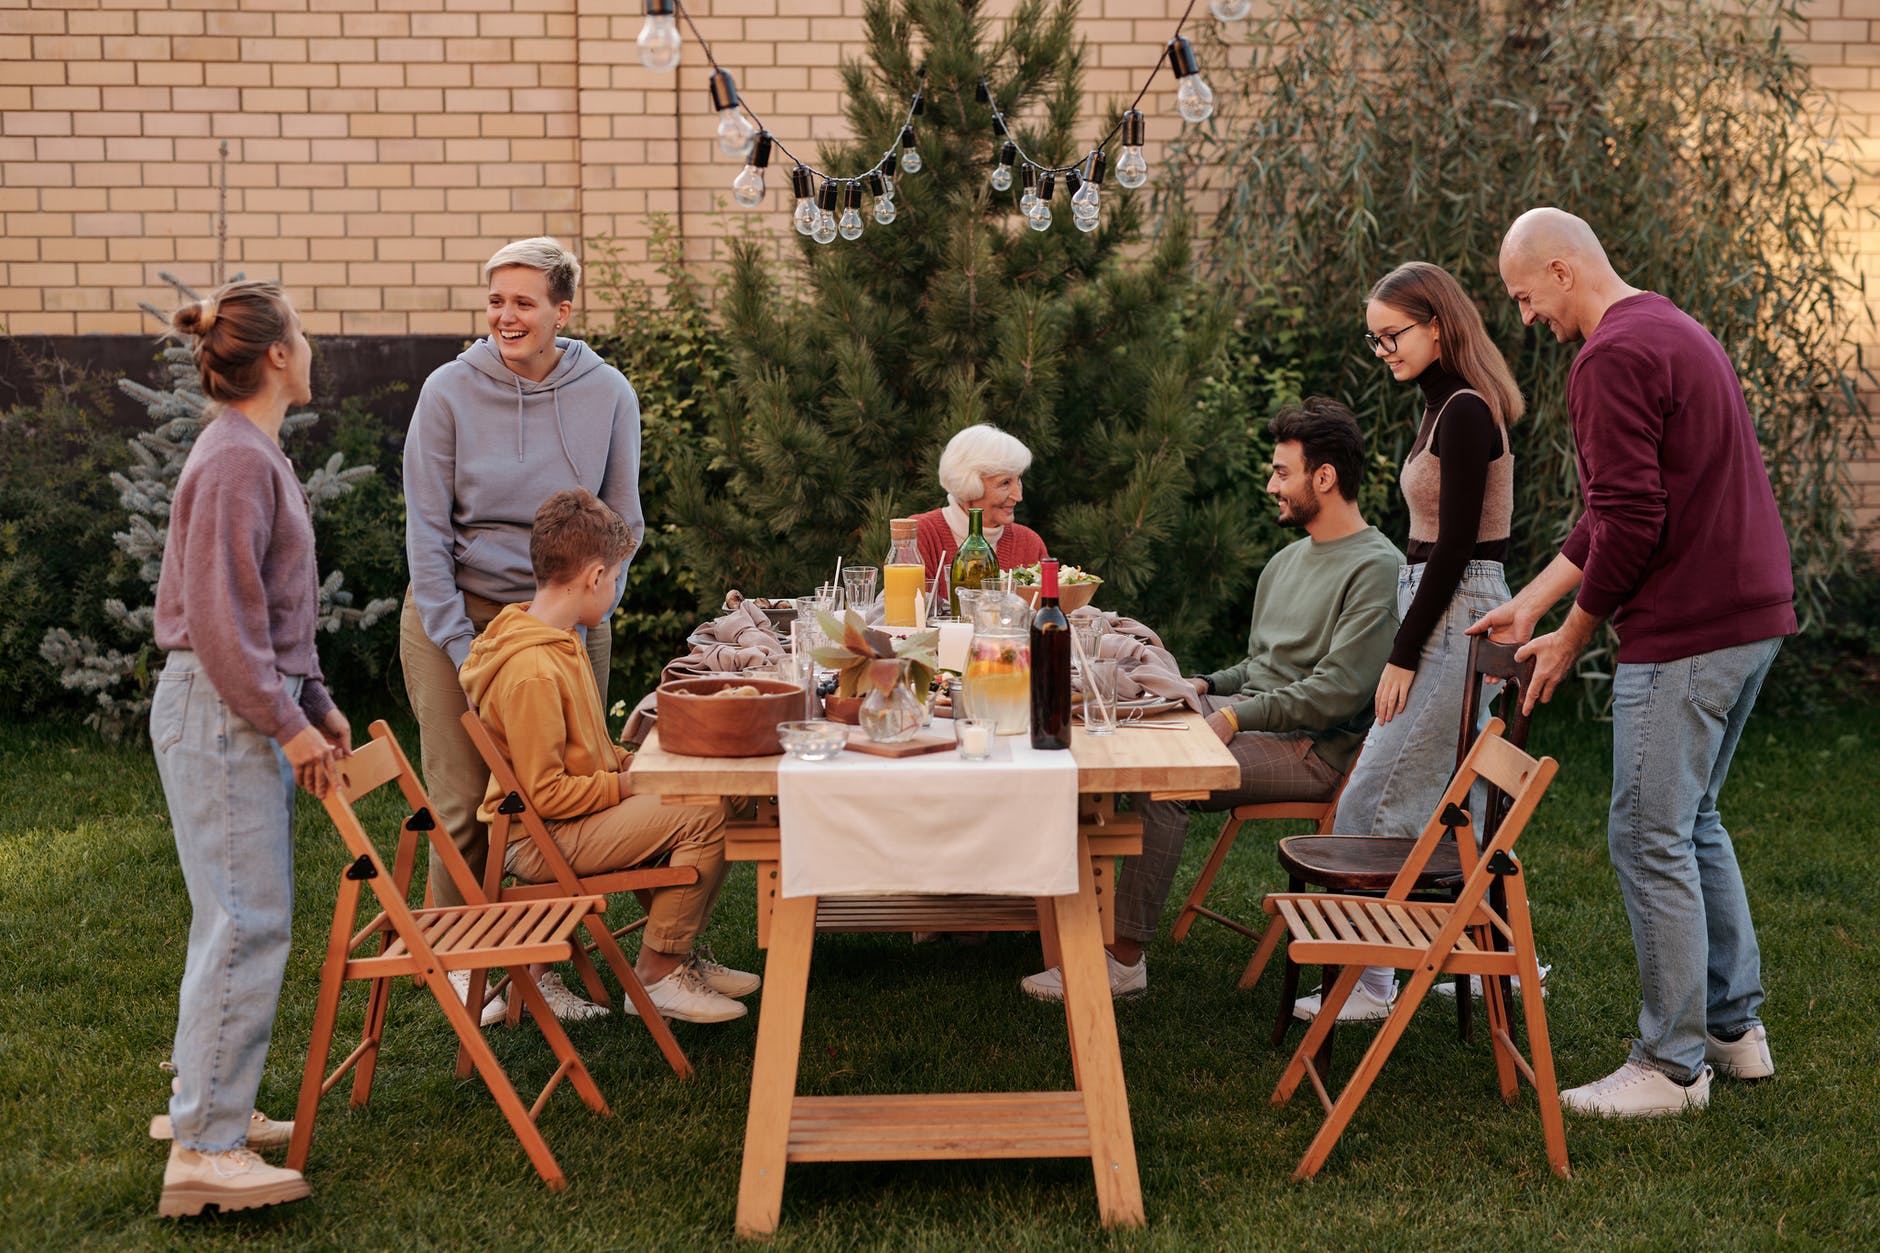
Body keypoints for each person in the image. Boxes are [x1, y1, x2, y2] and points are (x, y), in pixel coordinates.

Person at [1475, 207, 1795, 1117]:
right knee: (1691, 822)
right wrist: (1533, 600)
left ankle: (1670, 1065)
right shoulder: (1673, 325)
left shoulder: (1608, 357)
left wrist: (1573, 635)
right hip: (1750, 615)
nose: (1526, 317)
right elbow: (1620, 505)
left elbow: (1636, 519)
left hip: (1689, 630)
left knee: (1647, 835)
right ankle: (1734, 1032)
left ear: (1565, 269)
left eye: (1526, 295)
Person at [1022, 398, 1402, 1000]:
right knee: (1105, 737)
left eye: (1282, 471)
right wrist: (1202, 686)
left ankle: (1122, 961)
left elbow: (1337, 692)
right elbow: (1261, 666)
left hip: (1313, 750)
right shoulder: (1285, 562)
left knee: (1163, 782)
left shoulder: (1378, 567)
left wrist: (1230, 716)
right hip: (1257, 720)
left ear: (1323, 478)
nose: (1270, 484)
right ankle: (1043, 914)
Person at [149, 280, 352, 1217]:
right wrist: (290, 723)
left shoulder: (250, 452)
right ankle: (205, 1149)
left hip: (236, 700)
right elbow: (225, 629)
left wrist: (314, 697)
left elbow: (273, 611)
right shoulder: (235, 459)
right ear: (276, 354)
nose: (309, 349)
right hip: (221, 706)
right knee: (246, 917)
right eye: (301, 335)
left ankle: (209, 1103)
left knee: (231, 912)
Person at [401, 237, 645, 974]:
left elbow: (623, 521)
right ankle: (476, 971)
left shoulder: (608, 393)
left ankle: (542, 964)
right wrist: (460, 645)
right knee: (463, 802)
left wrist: (590, 610)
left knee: (566, 794)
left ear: (562, 310)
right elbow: (426, 531)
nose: (504, 317)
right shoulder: (448, 390)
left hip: (566, 617)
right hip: (461, 615)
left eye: (523, 302)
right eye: (495, 301)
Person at [1291, 261, 1525, 1024]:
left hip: (1454, 609)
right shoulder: (1439, 407)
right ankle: (1470, 959)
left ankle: (1369, 979)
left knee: (1374, 791)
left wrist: (1402, 652)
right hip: (1439, 601)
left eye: (1392, 335)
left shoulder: (1462, 411)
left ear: (1436, 324)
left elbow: (1456, 544)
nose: (1384, 349)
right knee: (1436, 791)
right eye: (1375, 339)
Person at [458, 489, 758, 1023]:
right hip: (535, 841)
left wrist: (631, 762)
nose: (615, 589)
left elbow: (586, 751)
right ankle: (657, 974)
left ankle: (680, 955)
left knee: (728, 788)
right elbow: (544, 793)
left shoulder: (560, 639)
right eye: (616, 577)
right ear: (594, 577)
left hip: (573, 818)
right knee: (703, 812)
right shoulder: (531, 670)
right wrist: (630, 785)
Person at [912, 423, 1049, 581]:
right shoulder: (920, 534)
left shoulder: (1029, 544)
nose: (1018, 496)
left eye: (1018, 480)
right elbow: (900, 602)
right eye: (1005, 483)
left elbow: (1051, 605)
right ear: (969, 484)